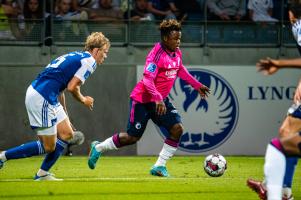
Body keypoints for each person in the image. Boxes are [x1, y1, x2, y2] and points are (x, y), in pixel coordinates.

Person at [87, 19, 210, 177]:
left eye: (179, 38)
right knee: (132, 138)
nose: (178, 42)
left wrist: (196, 85)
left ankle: (159, 166)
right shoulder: (156, 55)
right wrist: (157, 97)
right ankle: (99, 148)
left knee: (177, 129)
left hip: (160, 101)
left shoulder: (176, 52)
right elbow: (147, 79)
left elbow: (180, 69)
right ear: (166, 38)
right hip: (142, 101)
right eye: (175, 38)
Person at [0, 32, 110, 181]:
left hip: (45, 94)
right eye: (105, 52)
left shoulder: (77, 56)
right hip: (42, 96)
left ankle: (42, 174)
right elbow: (72, 87)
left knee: (67, 133)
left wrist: (65, 116)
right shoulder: (90, 61)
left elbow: (62, 90)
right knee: (48, 146)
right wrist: (84, 100)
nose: (105, 56)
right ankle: (3, 156)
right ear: (96, 50)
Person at [246, 2, 301, 200]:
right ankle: (280, 189)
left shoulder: (298, 26)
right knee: (286, 133)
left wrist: (280, 63)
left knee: (288, 137)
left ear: (290, 13)